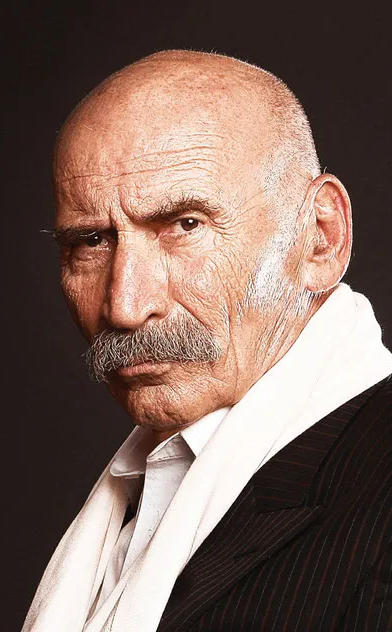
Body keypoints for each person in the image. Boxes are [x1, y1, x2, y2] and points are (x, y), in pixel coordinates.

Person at [23, 50, 392, 632]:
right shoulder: (146, 485)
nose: (125, 306)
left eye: (184, 225)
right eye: (91, 242)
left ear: (320, 237)